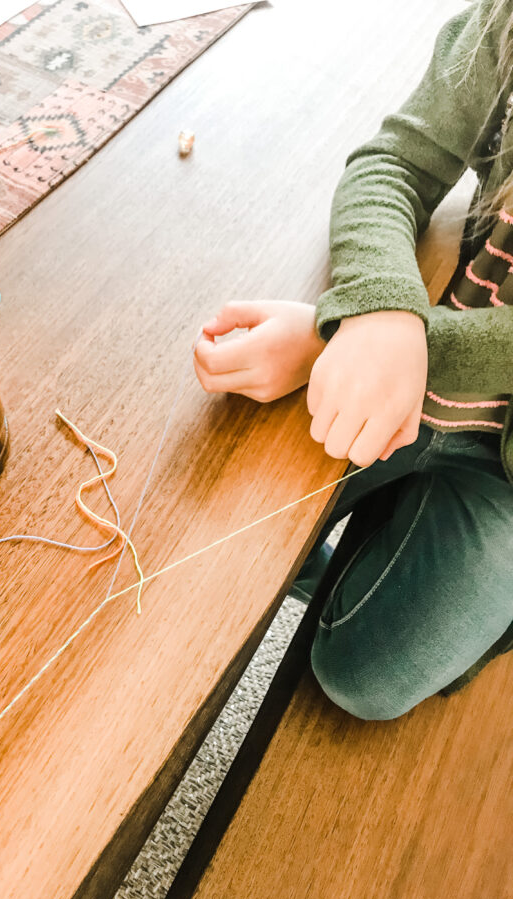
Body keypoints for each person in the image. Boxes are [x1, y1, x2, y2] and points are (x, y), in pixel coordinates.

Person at [193, 0, 513, 720]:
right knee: (209, 545)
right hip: (415, 358)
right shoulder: (501, 28)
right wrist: (377, 307)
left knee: (361, 676)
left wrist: (330, 338)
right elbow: (395, 161)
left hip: (503, 477)